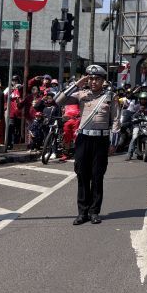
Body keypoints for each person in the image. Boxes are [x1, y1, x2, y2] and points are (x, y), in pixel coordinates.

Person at [55, 65, 119, 225]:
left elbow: (116, 120)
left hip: (101, 140)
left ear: (103, 81)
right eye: (90, 78)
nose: (93, 81)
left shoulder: (110, 96)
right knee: (82, 175)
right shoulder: (81, 94)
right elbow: (58, 100)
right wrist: (77, 84)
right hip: (84, 139)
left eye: (97, 79)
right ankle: (82, 212)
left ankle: (94, 211)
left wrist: (113, 143)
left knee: (97, 176)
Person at [125, 91, 147, 162]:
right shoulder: (136, 107)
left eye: (145, 99)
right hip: (138, 125)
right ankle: (129, 154)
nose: (143, 100)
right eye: (142, 99)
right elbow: (132, 115)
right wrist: (138, 112)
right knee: (134, 137)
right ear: (139, 99)